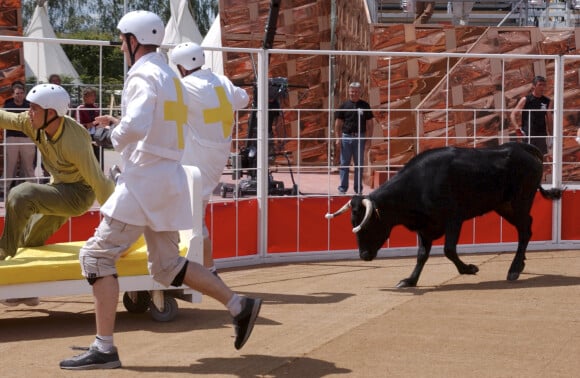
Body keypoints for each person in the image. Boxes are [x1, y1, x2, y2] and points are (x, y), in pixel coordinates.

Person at [60, 11, 262, 370]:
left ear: (132, 40)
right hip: (168, 178)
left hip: (144, 181)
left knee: (96, 258)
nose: (122, 47)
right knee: (168, 266)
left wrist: (110, 135)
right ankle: (238, 304)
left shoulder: (142, 74)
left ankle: (104, 348)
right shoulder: (169, 73)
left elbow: (137, 124)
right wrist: (120, 127)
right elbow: (154, 121)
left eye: (123, 40)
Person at [0, 83, 115, 306]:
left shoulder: (75, 140)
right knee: (30, 240)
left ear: (51, 114)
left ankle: (3, 250)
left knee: (22, 193)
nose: (28, 112)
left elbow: (98, 182)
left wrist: (118, 227)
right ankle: (26, 289)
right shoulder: (32, 122)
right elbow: (5, 118)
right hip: (58, 189)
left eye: (33, 108)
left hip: (78, 195)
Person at [170, 42, 250, 276]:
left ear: (182, 66)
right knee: (194, 212)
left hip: (196, 158)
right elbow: (243, 99)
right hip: (217, 157)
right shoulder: (222, 81)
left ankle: (205, 270)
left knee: (191, 216)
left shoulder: (184, 87)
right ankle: (202, 268)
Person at [334, 81, 374, 195]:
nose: (354, 94)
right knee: (344, 164)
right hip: (346, 137)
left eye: (356, 92)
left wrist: (369, 140)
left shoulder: (365, 105)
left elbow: (370, 124)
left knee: (359, 164)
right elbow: (338, 123)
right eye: (352, 91)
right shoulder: (344, 106)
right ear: (348, 92)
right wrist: (338, 138)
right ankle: (342, 188)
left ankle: (358, 190)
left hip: (360, 138)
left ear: (360, 92)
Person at [2, 82, 35, 195]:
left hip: (27, 138)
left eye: (21, 93)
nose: (19, 95)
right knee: (10, 166)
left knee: (28, 167)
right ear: (13, 94)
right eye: (17, 93)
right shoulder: (7, 104)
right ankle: (3, 189)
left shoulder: (29, 105)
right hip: (11, 138)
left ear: (24, 94)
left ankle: (33, 189)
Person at [510, 75, 553, 156]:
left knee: (540, 159)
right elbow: (513, 115)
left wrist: (551, 136)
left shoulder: (547, 101)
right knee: (527, 159)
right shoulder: (526, 99)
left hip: (541, 135)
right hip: (527, 134)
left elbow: (549, 120)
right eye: (540, 85)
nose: (542, 87)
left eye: (544, 85)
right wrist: (517, 130)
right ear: (534, 86)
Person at [76, 87, 102, 165]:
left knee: (96, 159)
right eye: (92, 95)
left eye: (94, 95)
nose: (94, 97)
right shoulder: (80, 108)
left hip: (96, 136)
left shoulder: (96, 108)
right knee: (85, 160)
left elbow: (99, 124)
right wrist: (93, 123)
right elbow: (79, 126)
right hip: (84, 137)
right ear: (85, 97)